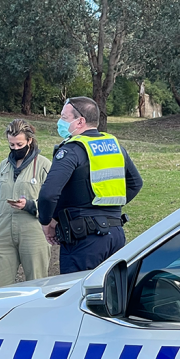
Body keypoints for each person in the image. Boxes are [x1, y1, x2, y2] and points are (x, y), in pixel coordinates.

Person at [38, 96, 143, 273]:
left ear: (80, 121)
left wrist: (47, 222)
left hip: (84, 239)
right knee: (112, 295)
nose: (59, 122)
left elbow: (48, 194)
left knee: (78, 296)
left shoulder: (72, 150)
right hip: (115, 235)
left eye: (64, 118)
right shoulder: (115, 147)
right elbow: (135, 183)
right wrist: (107, 205)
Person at [0, 119, 53, 288]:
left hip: (33, 230)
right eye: (12, 144)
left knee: (37, 283)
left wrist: (30, 205)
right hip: (3, 231)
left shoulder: (44, 165)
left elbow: (53, 200)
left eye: (19, 144)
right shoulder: (4, 166)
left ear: (29, 141)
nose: (15, 148)